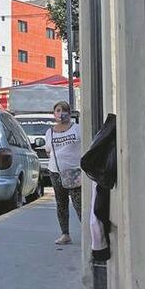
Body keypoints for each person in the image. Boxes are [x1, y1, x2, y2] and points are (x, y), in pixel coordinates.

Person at [44, 100, 83, 245]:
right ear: (54, 114)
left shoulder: (77, 129)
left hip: (74, 172)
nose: (61, 113)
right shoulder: (50, 132)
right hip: (55, 171)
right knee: (61, 203)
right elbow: (48, 150)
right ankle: (65, 234)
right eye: (58, 110)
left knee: (78, 203)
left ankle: (88, 233)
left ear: (70, 113)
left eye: (64, 110)